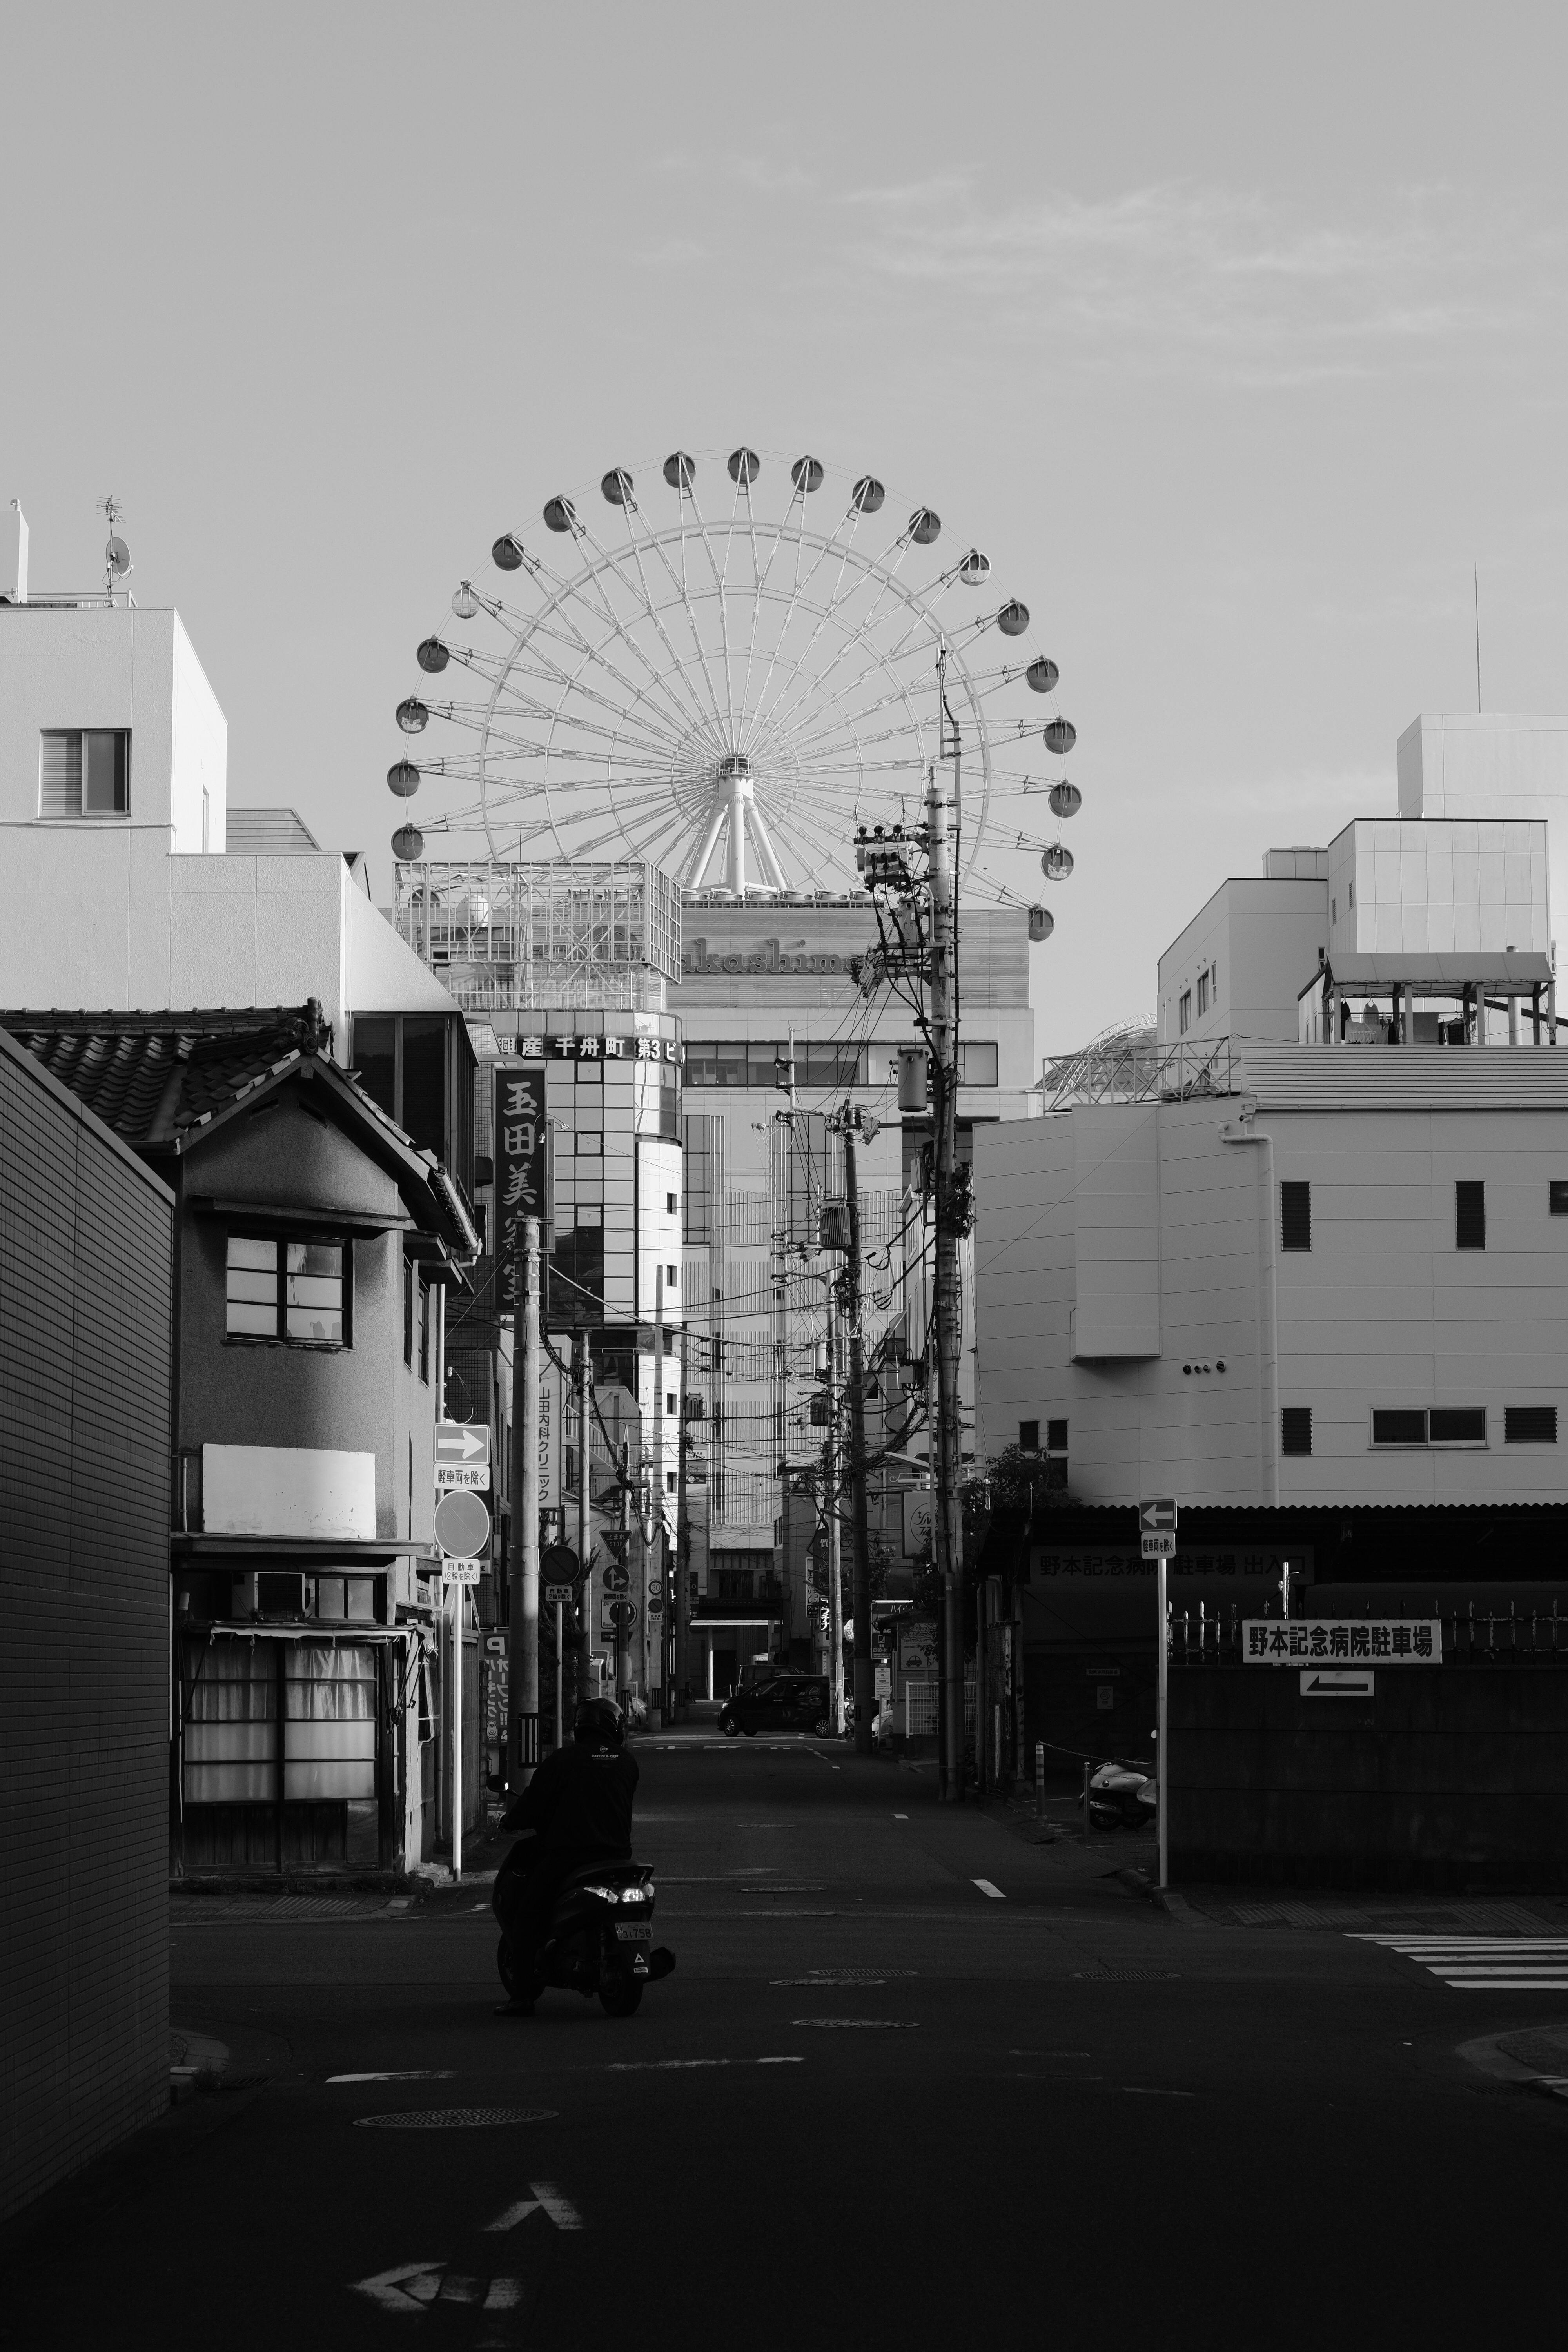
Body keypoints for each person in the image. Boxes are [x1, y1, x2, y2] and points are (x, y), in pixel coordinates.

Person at [492, 1695, 639, 2017]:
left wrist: (510, 1821)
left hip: (569, 1857)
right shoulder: (628, 1762)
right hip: (619, 1858)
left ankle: (521, 1997)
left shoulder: (563, 1760)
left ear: (581, 1726)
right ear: (614, 1727)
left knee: (528, 1914)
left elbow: (533, 1806)